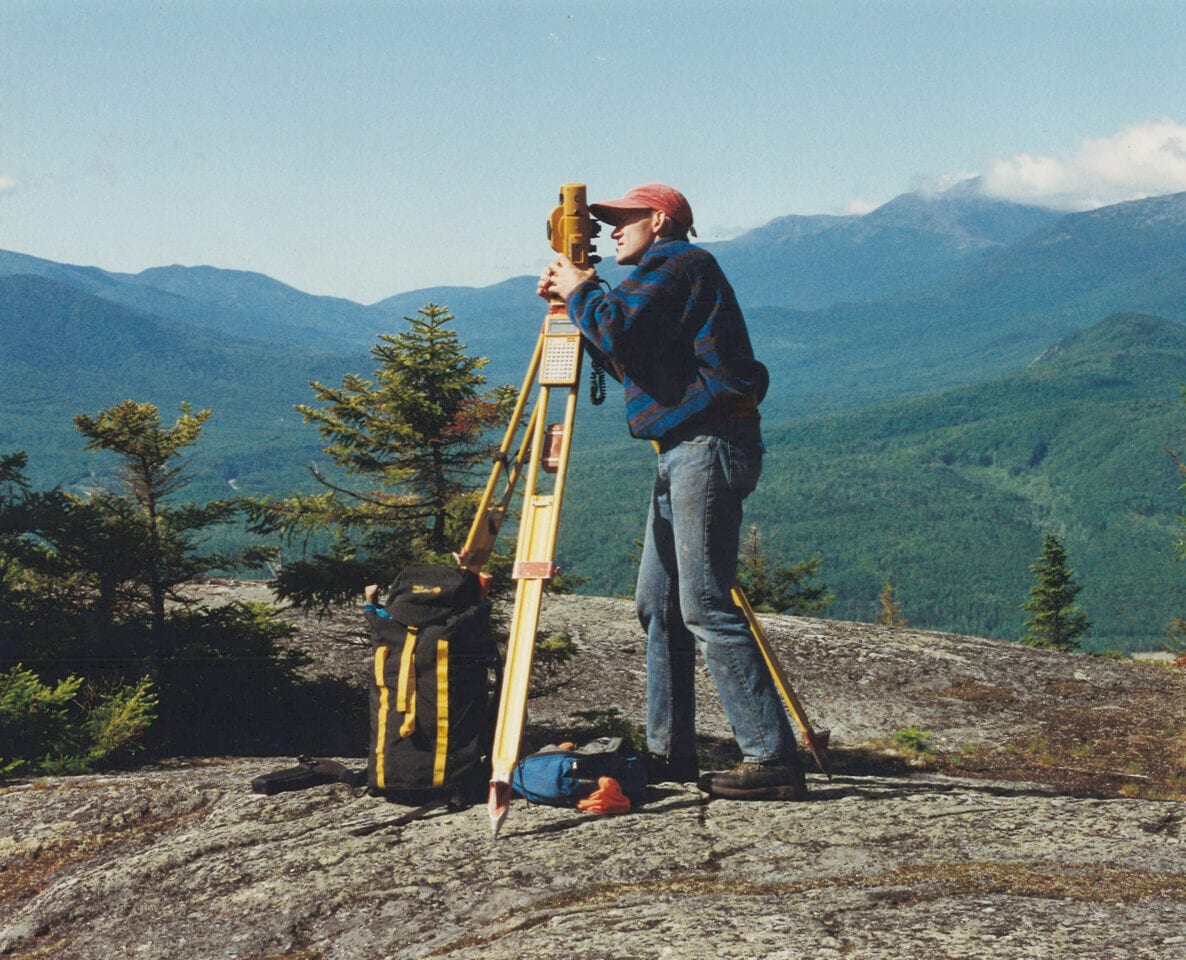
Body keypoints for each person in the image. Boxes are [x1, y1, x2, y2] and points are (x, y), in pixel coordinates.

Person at [537, 183, 807, 801]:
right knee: (657, 607)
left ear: (658, 220)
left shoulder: (680, 262)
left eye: (622, 220)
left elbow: (622, 326)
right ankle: (669, 752)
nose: (609, 231)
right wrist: (579, 304)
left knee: (705, 604)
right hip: (683, 452)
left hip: (706, 447)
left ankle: (770, 757)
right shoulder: (667, 271)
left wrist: (582, 290)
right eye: (604, 223)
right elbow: (629, 349)